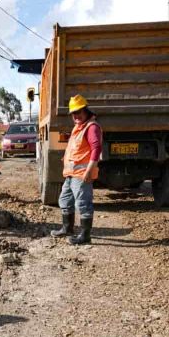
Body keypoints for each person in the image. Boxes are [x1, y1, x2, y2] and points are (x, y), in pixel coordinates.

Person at [50, 95, 102, 245]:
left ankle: (85, 236)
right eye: (73, 113)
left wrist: (88, 171)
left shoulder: (91, 127)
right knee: (64, 200)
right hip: (71, 174)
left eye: (79, 112)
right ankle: (67, 228)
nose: (76, 116)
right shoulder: (78, 128)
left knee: (83, 204)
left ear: (86, 110)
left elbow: (96, 148)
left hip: (82, 174)